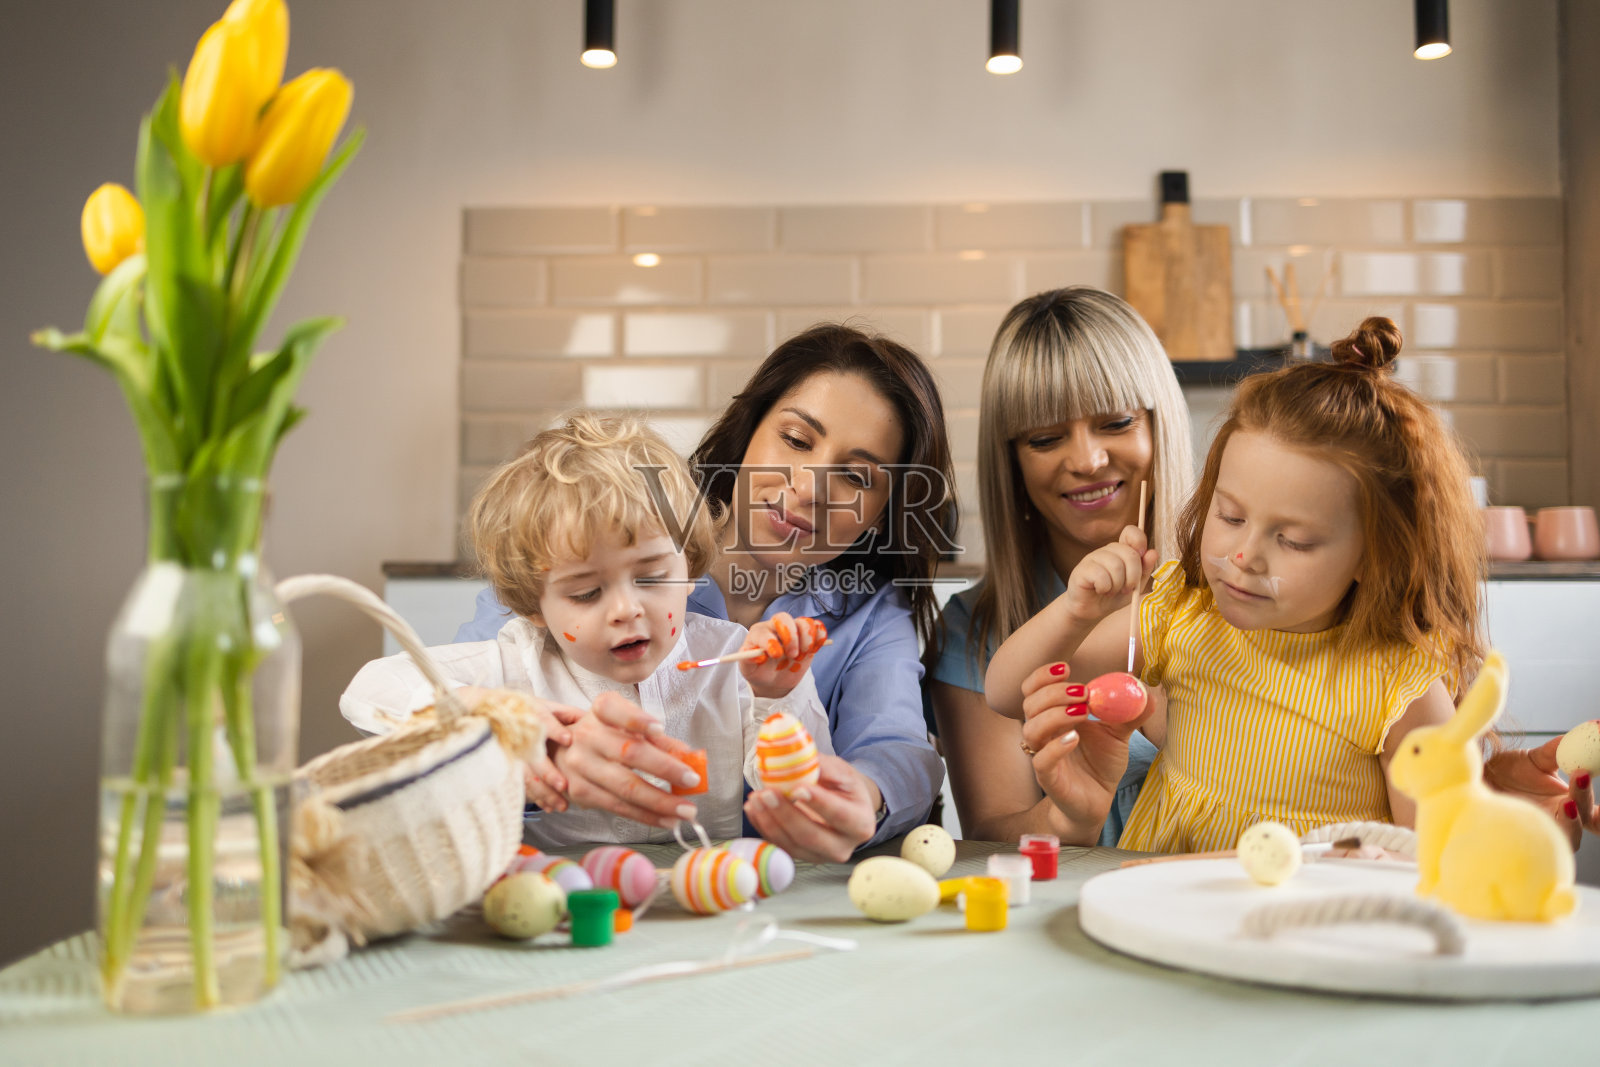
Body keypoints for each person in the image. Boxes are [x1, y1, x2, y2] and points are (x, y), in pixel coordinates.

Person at [457, 325, 955, 861]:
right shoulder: (608, 544)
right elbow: (447, 699)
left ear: (883, 512)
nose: (809, 488)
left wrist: (867, 796)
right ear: (747, 434)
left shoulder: (873, 612)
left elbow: (896, 748)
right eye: (795, 440)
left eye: (857, 478)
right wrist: (530, 737)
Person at [987, 317, 1486, 851]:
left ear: (1377, 557)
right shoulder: (1183, 618)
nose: (1244, 556)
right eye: (1229, 516)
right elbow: (1006, 691)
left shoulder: (1398, 688)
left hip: (1303, 925)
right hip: (1166, 908)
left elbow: (1431, 864)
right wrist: (1076, 610)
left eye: (1293, 540)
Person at [342, 414, 831, 847]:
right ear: (536, 606)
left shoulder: (733, 661)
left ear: (689, 568)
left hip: (705, 901)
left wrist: (780, 695)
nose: (625, 609)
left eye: (652, 577)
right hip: (557, 899)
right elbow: (370, 688)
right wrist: (490, 712)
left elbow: (794, 793)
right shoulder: (516, 664)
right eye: (585, 593)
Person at [928, 288, 1193, 844]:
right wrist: (1069, 816)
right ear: (1012, 462)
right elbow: (991, 836)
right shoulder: (973, 630)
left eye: (1116, 422)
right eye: (1046, 438)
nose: (1087, 461)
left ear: (1157, 424)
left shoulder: (1233, 592)